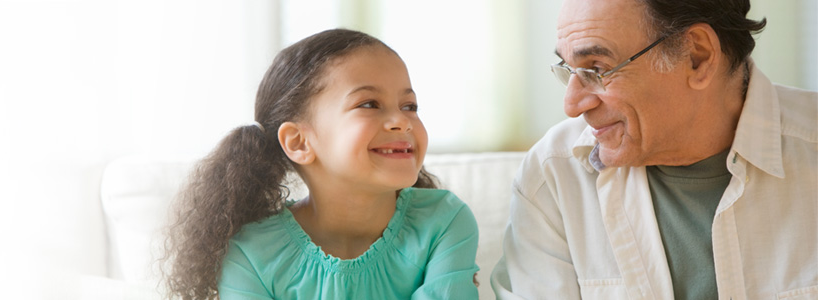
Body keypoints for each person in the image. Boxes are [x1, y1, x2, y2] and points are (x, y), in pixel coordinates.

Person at [491, 0, 818, 298]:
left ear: (697, 57)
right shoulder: (553, 177)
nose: (573, 105)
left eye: (597, 69)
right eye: (569, 70)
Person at [162, 29, 480, 299]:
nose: (402, 121)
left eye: (409, 105)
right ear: (299, 142)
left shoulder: (445, 221)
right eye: (369, 104)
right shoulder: (251, 254)